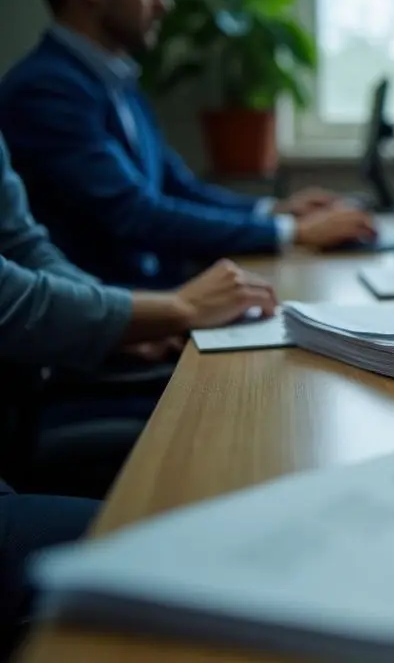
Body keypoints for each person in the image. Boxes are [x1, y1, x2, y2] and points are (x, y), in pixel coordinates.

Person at [0, 129, 279, 654]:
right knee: (222, 556)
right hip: (34, 395)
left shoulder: (116, 83)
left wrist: (123, 318)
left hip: (31, 394)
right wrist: (168, 310)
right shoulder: (48, 91)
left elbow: (19, 244)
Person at [0, 0, 377, 289]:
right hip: (115, 324)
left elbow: (178, 187)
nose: (163, 3)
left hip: (154, 303)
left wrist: (276, 211)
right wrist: (291, 232)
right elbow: (134, 214)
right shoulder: (45, 90)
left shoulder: (116, 79)